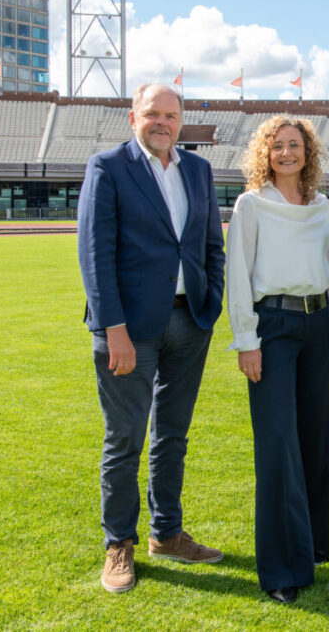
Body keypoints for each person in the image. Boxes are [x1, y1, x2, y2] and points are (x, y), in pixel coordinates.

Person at [78, 83, 226, 594]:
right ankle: (119, 542)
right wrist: (112, 328)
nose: (162, 122)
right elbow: (95, 255)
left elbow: (211, 245)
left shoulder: (198, 170)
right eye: (152, 113)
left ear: (181, 121)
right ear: (133, 117)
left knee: (174, 435)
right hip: (129, 331)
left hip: (190, 322)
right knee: (124, 440)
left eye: (170, 114)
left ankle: (167, 533)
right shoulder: (108, 167)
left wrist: (212, 303)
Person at [225, 116, 329, 604]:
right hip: (272, 330)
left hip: (317, 326)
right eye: (276, 146)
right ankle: (281, 568)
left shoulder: (320, 206)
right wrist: (246, 340)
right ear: (265, 153)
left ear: (307, 151)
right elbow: (239, 274)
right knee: (278, 446)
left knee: (316, 440)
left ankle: (313, 545)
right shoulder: (252, 205)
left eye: (294, 145)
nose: (286, 153)